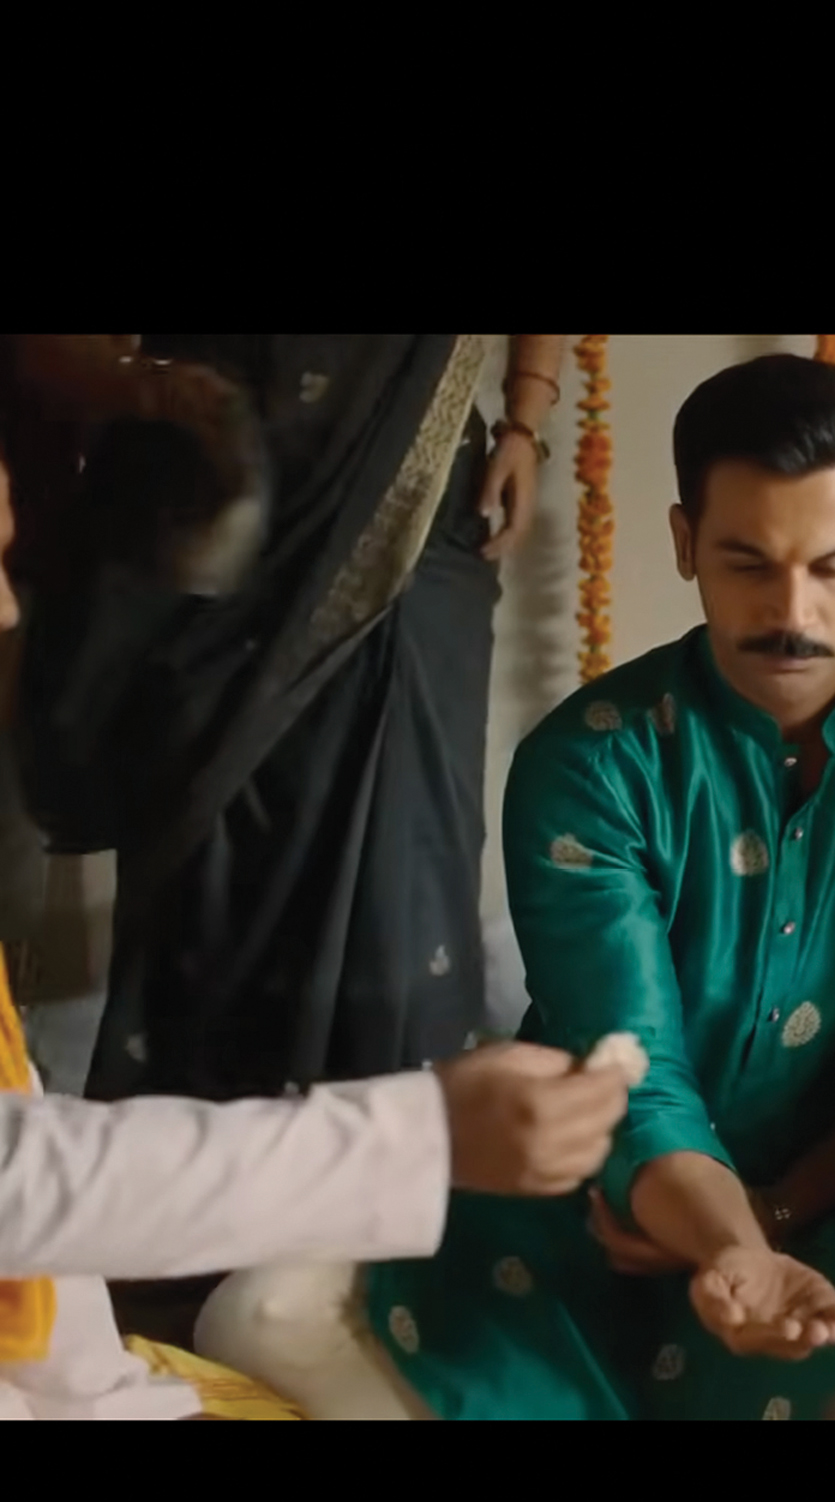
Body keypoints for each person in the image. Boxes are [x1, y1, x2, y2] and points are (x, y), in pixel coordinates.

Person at [203, 354, 835, 1420]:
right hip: (591, 1213)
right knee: (255, 1310)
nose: (792, 611)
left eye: (831, 566)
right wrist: (725, 1242)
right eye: (746, 563)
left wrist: (771, 1221)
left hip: (824, 1210)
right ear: (683, 544)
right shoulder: (588, 761)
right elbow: (634, 1071)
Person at [1, 445, 635, 1420]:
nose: (8, 613)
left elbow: (41, 1242)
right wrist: (421, 1134)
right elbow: (25, 1183)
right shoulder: (596, 765)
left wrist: (120, 1397)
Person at [2, 333, 565, 1107]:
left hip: (411, 494)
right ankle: (211, 1184)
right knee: (206, 881)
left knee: (406, 878)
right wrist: (149, 388)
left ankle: (398, 1178)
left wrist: (525, 417)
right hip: (207, 484)